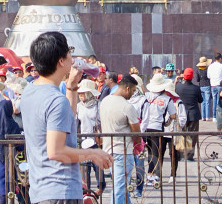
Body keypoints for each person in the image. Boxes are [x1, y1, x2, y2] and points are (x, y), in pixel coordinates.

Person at [19, 31, 112, 204]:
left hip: (41, 189)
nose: (72, 57)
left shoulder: (29, 91)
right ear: (61, 61)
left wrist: (71, 87)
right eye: (69, 52)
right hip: (60, 190)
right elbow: (56, 151)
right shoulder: (55, 100)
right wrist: (93, 153)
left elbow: (65, 119)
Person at [99, 74, 140, 204]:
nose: (133, 94)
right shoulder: (127, 106)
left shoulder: (105, 101)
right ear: (127, 88)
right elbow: (137, 134)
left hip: (108, 149)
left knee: (120, 186)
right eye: (133, 91)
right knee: (120, 188)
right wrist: (138, 143)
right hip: (123, 151)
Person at [207, 56, 222, 124]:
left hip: (213, 85)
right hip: (221, 85)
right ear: (220, 59)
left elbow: (208, 76)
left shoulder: (210, 66)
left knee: (214, 100)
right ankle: (220, 116)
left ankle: (214, 116)